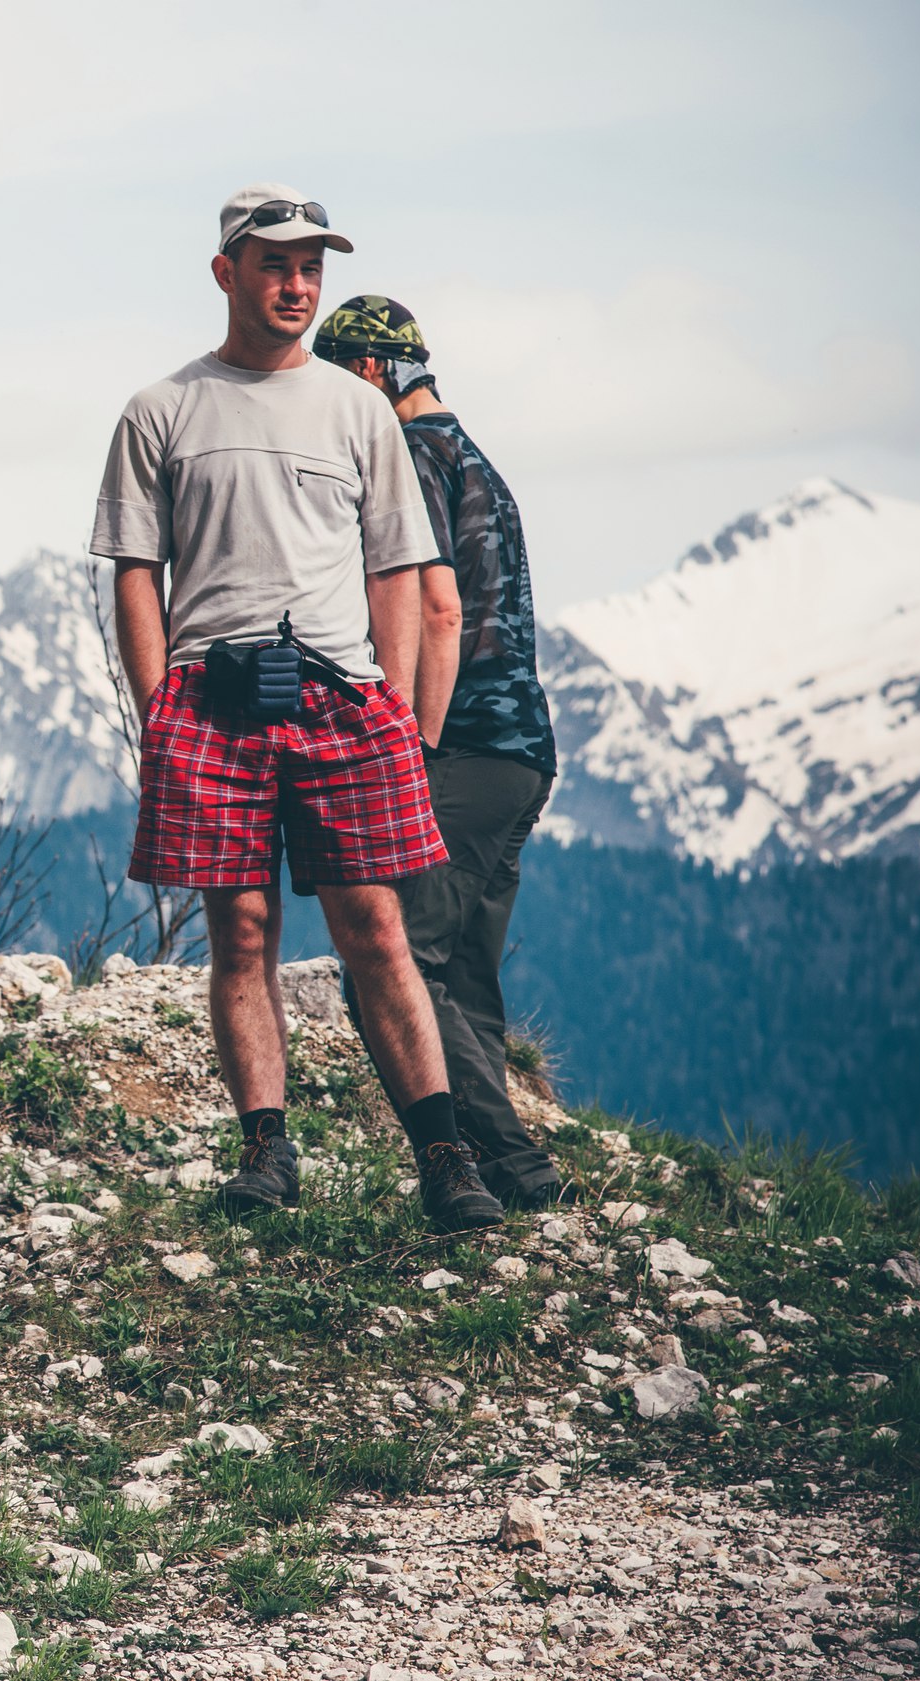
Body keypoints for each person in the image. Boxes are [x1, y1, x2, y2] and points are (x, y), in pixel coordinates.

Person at [90, 185, 503, 1233]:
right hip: (210, 700)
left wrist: (397, 707)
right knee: (241, 930)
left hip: (341, 699)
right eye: (275, 264)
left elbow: (397, 570)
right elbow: (134, 572)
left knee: (375, 924)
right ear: (226, 271)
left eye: (311, 266)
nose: (298, 285)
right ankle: (266, 1151)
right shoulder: (161, 408)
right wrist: (157, 709)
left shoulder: (356, 408)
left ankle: (444, 1156)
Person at [315, 296, 563, 1209]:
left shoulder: (408, 457)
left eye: (338, 381)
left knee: (396, 966)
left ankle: (500, 1173)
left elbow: (439, 607)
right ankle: (516, 1176)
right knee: (463, 971)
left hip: (459, 744)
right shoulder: (476, 460)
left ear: (373, 373)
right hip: (521, 749)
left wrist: (409, 746)